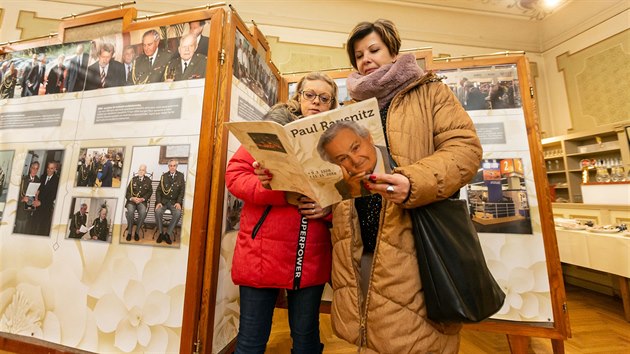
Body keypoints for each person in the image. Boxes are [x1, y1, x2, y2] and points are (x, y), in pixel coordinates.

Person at [328, 19, 482, 353]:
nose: (365, 59)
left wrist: (413, 182)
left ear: (393, 50)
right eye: (358, 55)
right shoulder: (348, 110)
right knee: (368, 333)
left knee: (417, 338)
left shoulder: (430, 92)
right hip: (360, 238)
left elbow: (465, 151)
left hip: (415, 236)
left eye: (374, 50)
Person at [224, 72, 338, 354]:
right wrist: (279, 193)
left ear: (332, 105)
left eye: (324, 98)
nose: (316, 102)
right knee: (251, 341)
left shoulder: (338, 144)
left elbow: (349, 197)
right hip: (262, 251)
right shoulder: (269, 132)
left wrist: (327, 210)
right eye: (309, 95)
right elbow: (235, 176)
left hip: (309, 253)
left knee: (306, 340)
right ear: (298, 98)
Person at [317, 120, 390, 199]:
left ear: (368, 138)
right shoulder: (343, 188)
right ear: (336, 164)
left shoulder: (395, 155)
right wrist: (355, 193)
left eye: (355, 148)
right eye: (343, 158)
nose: (356, 160)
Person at [155, 159, 185, 245]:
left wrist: (179, 202)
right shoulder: (164, 176)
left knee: (178, 213)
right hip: (164, 201)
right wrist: (159, 202)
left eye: (174, 165)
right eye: (170, 166)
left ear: (176, 166)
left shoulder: (180, 176)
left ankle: (167, 234)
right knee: (158, 211)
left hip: (174, 202)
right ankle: (161, 233)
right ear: (168, 167)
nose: (172, 167)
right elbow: (158, 191)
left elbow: (182, 191)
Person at [124, 164, 153, 241]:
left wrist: (143, 199)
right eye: (140, 169)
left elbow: (150, 192)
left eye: (143, 170)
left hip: (142, 202)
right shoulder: (133, 179)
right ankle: (129, 232)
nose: (141, 171)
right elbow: (127, 192)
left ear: (145, 172)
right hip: (132, 202)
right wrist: (132, 198)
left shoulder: (148, 181)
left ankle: (137, 231)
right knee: (130, 211)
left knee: (143, 212)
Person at [33, 161, 60, 236]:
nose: (48, 170)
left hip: (46, 209)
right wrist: (36, 196)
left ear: (54, 169)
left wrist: (41, 202)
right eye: (48, 168)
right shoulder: (42, 177)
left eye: (51, 168)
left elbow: (52, 196)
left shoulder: (57, 181)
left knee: (42, 230)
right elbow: (39, 190)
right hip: (37, 208)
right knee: (34, 228)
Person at [14, 161, 40, 234]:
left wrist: (37, 197)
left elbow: (36, 195)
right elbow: (16, 195)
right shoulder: (23, 180)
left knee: (25, 231)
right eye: (33, 168)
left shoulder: (38, 180)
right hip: (21, 210)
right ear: (30, 168)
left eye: (37, 169)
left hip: (30, 211)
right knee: (18, 230)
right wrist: (22, 199)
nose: (35, 170)